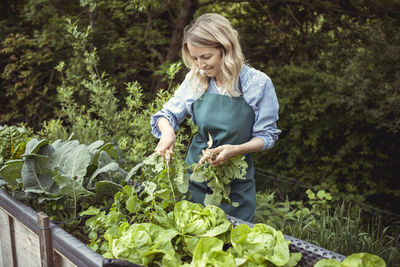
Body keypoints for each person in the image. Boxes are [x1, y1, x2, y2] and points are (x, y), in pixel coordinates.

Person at [150, 13, 280, 223]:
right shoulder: (195, 79)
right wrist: (167, 133)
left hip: (236, 183)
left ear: (225, 50)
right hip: (196, 178)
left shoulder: (257, 84)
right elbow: (166, 115)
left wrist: (236, 149)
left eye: (206, 57)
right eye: (194, 58)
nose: (200, 65)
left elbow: (266, 136)